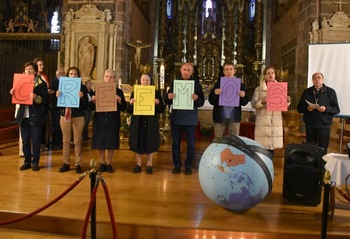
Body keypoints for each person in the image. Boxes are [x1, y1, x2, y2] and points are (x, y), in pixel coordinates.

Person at [164, 62, 205, 175]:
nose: (186, 72)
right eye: (184, 69)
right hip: (177, 118)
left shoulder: (196, 85)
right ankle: (177, 165)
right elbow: (166, 100)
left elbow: (201, 102)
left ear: (192, 72)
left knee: (191, 144)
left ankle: (188, 166)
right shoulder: (174, 83)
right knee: (175, 143)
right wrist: (168, 96)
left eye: (188, 70)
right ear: (181, 71)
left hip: (190, 119)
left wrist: (196, 98)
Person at [9, 61, 49, 171]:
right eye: (26, 69)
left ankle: (35, 162)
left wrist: (36, 97)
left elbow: (45, 100)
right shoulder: (19, 82)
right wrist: (13, 93)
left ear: (35, 71)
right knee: (25, 141)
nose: (28, 71)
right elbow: (17, 98)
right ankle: (27, 161)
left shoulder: (41, 84)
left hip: (36, 115)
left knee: (36, 141)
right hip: (24, 115)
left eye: (31, 69)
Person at [127, 74, 165, 174]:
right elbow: (129, 110)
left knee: (150, 142)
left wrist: (158, 103)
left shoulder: (156, 93)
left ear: (150, 82)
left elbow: (162, 109)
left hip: (150, 121)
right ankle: (138, 164)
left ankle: (149, 164)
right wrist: (131, 103)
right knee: (138, 141)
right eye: (143, 80)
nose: (145, 82)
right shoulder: (135, 93)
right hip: (138, 121)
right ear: (140, 81)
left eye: (147, 80)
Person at [251, 66, 291, 158]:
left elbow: (283, 106)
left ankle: (270, 169)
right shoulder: (258, 89)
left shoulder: (280, 88)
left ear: (275, 75)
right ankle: (262, 170)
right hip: (263, 122)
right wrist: (262, 102)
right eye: (268, 73)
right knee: (262, 150)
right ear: (265, 76)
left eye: (272, 73)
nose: (270, 75)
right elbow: (254, 104)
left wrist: (287, 101)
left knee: (272, 149)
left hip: (275, 122)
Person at [91, 69, 126, 173]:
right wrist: (93, 101)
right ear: (103, 78)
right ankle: (103, 163)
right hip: (100, 120)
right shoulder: (97, 90)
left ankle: (109, 163)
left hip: (112, 120)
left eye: (111, 77)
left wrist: (119, 100)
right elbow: (90, 107)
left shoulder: (118, 91)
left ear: (114, 79)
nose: (108, 79)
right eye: (107, 76)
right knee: (100, 143)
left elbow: (124, 107)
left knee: (111, 143)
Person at [297, 72, 340, 154]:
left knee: (323, 150)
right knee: (310, 150)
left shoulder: (331, 92)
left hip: (324, 125)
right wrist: (307, 108)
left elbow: (336, 109)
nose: (317, 80)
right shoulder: (306, 92)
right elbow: (299, 108)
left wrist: (325, 109)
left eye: (319, 78)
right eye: (315, 78)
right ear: (312, 80)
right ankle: (311, 167)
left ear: (322, 80)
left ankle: (323, 166)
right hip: (310, 125)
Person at [57, 67, 89, 173]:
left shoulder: (82, 88)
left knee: (77, 141)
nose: (73, 76)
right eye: (71, 74)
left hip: (78, 116)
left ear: (78, 76)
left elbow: (86, 106)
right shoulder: (62, 86)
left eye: (75, 74)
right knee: (65, 141)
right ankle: (66, 163)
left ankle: (78, 164)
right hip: (65, 115)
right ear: (68, 75)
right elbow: (57, 105)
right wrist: (58, 96)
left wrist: (82, 97)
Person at [208, 62, 249, 139]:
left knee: (234, 141)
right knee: (218, 140)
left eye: (231, 69)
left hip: (234, 117)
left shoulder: (240, 85)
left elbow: (245, 102)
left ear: (234, 71)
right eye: (226, 69)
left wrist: (243, 96)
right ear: (224, 71)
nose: (229, 71)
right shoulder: (218, 84)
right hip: (220, 117)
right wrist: (215, 93)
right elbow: (211, 101)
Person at [33, 58, 50, 151]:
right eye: (40, 65)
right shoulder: (31, 78)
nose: (42, 66)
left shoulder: (44, 76)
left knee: (43, 123)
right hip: (35, 105)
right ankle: (36, 144)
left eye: (43, 65)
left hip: (44, 103)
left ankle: (42, 143)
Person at [50, 67, 65, 150]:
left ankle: (61, 141)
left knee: (62, 126)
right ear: (57, 75)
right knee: (56, 126)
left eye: (63, 73)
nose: (62, 74)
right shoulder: (54, 82)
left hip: (63, 107)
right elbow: (52, 95)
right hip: (55, 107)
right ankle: (56, 142)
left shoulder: (67, 82)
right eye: (60, 73)